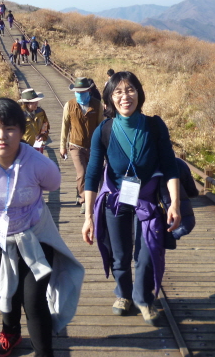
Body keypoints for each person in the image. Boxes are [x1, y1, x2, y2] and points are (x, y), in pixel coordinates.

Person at [0, 98, 84, 357]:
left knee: (33, 300)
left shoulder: (36, 162)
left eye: (10, 128)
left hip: (35, 236)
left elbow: (53, 183)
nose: (2, 136)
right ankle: (10, 332)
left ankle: (45, 352)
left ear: (21, 131)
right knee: (7, 292)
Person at [81, 71, 181, 324]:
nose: (125, 97)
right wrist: (88, 217)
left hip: (147, 200)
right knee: (120, 253)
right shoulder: (103, 131)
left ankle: (143, 297)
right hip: (115, 200)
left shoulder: (154, 126)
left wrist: (175, 204)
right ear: (109, 100)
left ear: (139, 93)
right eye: (118, 92)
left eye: (130, 90)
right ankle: (123, 294)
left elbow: (170, 166)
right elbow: (92, 174)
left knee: (148, 251)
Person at [60, 77, 104, 214]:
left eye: (82, 91)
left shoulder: (97, 105)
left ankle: (84, 194)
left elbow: (101, 126)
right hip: (75, 145)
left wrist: (103, 146)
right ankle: (84, 200)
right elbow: (65, 126)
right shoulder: (70, 105)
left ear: (88, 90)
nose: (80, 94)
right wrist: (63, 145)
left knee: (92, 173)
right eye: (77, 91)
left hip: (93, 146)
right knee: (82, 172)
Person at [19, 88, 50, 154]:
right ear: (26, 103)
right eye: (33, 102)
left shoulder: (41, 112)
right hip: (24, 148)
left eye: (37, 101)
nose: (36, 103)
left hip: (37, 147)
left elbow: (46, 126)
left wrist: (43, 136)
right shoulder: (19, 115)